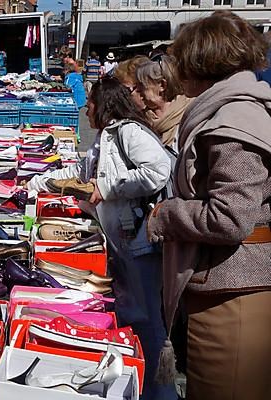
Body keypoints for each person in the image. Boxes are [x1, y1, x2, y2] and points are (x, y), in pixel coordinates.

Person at [146, 11, 271, 400]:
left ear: (203, 60)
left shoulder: (233, 120)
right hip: (223, 285)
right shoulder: (227, 110)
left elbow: (230, 217)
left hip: (233, 292)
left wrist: (165, 214)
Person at [27, 78, 176, 400]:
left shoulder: (129, 133)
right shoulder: (103, 139)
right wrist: (38, 183)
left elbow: (157, 170)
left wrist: (108, 188)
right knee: (132, 315)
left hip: (140, 242)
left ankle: (160, 391)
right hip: (120, 241)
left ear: (103, 104)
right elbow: (80, 175)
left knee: (148, 321)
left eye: (90, 103)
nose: (86, 108)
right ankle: (138, 385)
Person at [135, 55, 192, 148]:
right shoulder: (141, 120)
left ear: (162, 85)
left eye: (142, 85)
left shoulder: (190, 113)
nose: (137, 90)